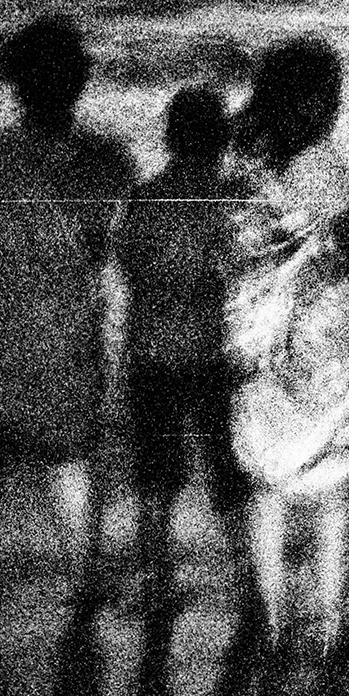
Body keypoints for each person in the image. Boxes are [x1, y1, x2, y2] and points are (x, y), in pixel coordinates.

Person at [0, 17, 136, 690]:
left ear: (14, 84)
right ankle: (84, 577)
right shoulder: (108, 161)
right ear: (80, 83)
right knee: (71, 457)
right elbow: (115, 254)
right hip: (68, 326)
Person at [223, 38, 349, 650]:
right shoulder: (322, 166)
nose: (335, 108)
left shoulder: (236, 157)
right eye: (329, 96)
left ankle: (271, 620)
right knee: (329, 481)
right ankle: (327, 622)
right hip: (319, 338)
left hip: (251, 337)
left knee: (266, 478)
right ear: (307, 100)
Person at [115, 85, 249, 624]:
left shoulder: (146, 198)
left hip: (152, 349)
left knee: (155, 471)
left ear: (171, 137)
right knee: (224, 468)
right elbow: (238, 271)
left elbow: (130, 266)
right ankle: (246, 587)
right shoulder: (230, 199)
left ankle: (155, 581)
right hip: (210, 349)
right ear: (220, 139)